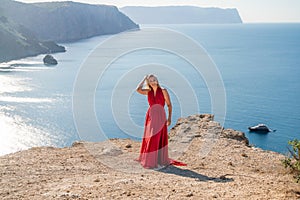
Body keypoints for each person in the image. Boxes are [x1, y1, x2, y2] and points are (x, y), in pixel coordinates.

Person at [136, 74, 187, 169]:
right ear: (148, 82)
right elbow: (138, 89)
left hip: (160, 115)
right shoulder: (148, 91)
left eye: (154, 79)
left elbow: (169, 105)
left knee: (156, 137)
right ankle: (150, 159)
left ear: (157, 80)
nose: (153, 81)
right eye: (150, 80)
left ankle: (156, 160)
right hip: (151, 115)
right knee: (150, 136)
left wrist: (169, 118)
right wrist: (143, 79)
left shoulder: (163, 90)